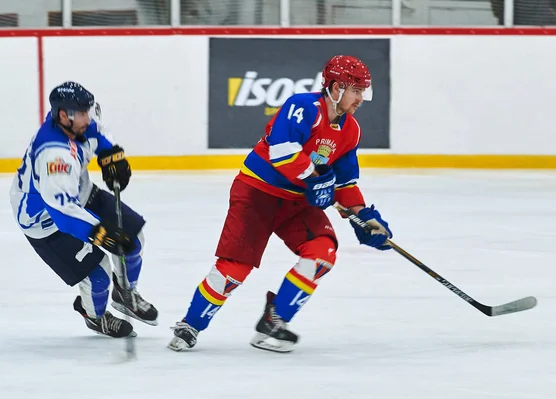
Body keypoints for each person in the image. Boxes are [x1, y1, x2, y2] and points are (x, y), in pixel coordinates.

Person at [168, 55, 393, 353]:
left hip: (297, 203)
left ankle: (273, 322)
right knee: (235, 269)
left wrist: (362, 215)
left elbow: (345, 182)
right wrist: (315, 178)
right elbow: (283, 151)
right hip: (257, 193)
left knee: (322, 253)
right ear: (336, 88)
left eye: (364, 91)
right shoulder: (303, 107)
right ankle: (191, 324)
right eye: (356, 90)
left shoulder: (351, 131)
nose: (361, 98)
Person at [9, 81, 158, 338]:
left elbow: (98, 133)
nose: (88, 118)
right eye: (82, 113)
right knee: (99, 274)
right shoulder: (55, 157)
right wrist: (102, 233)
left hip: (80, 194)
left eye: (88, 111)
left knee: (133, 240)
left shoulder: (75, 124)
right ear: (64, 116)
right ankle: (94, 316)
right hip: (45, 221)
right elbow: (63, 211)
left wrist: (111, 156)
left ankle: (125, 293)